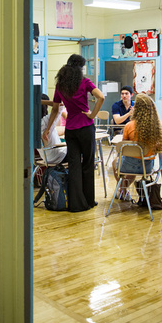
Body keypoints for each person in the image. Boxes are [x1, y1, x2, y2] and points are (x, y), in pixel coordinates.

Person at [43, 54, 105, 212]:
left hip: (71, 130)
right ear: (79, 68)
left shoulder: (60, 86)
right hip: (86, 128)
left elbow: (55, 109)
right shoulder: (85, 82)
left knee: (74, 165)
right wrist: (92, 115)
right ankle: (89, 201)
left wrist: (48, 129)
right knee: (88, 163)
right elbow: (101, 97)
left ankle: (76, 204)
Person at [116, 94, 162, 179]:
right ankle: (125, 189)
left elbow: (124, 148)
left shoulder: (129, 125)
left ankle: (123, 189)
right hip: (147, 166)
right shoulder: (159, 126)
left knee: (115, 163)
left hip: (128, 165)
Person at [38, 94, 67, 165]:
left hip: (45, 158)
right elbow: (60, 105)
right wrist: (40, 101)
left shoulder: (31, 124)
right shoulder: (45, 121)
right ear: (46, 106)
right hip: (58, 157)